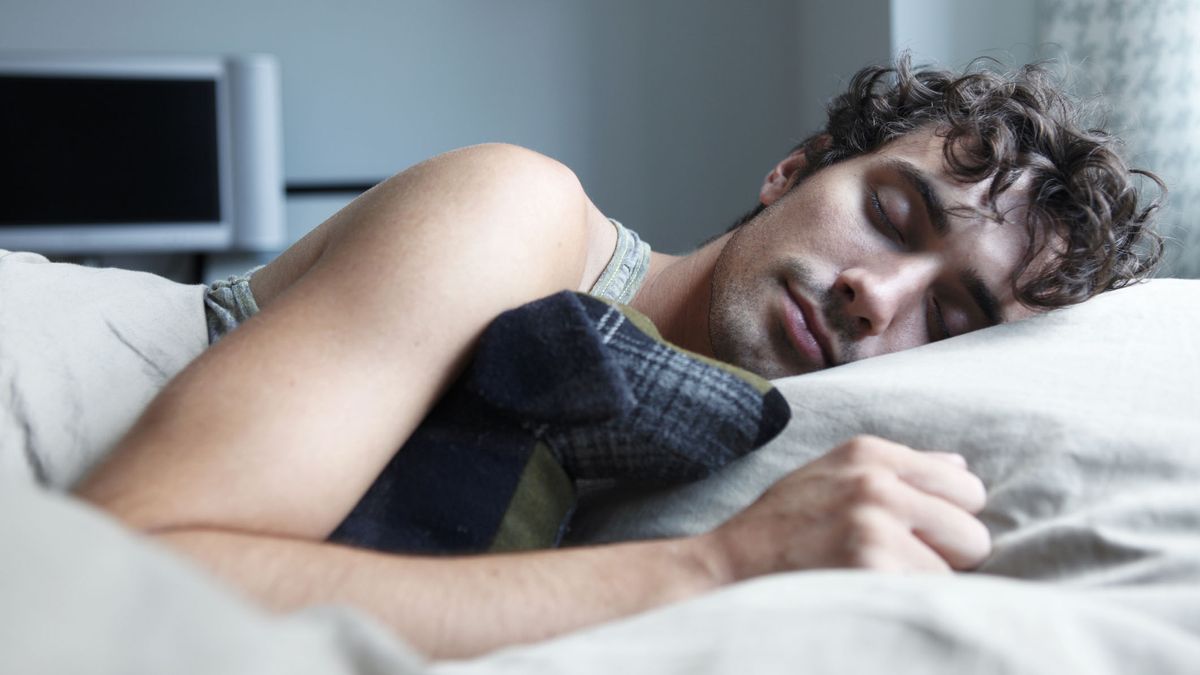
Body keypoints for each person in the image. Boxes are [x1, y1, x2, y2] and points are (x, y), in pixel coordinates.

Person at [74, 55, 1162, 658]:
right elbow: (132, 576)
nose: (873, 296)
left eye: (956, 315)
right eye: (888, 212)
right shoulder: (519, 216)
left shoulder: (763, 430)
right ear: (795, 169)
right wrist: (716, 567)